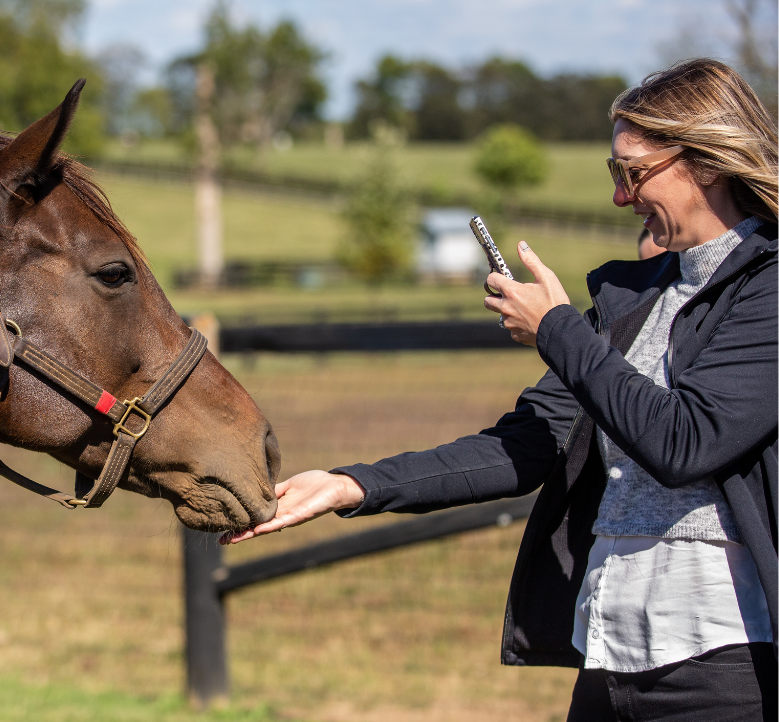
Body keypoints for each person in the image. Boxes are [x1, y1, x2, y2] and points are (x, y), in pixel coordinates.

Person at [226, 59, 777, 721]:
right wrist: (354, 484)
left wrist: (557, 329)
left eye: (632, 172)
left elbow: (685, 442)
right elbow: (524, 446)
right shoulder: (636, 297)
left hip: (728, 665)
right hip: (608, 656)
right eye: (614, 175)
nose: (620, 198)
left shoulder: (768, 290)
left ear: (708, 164)